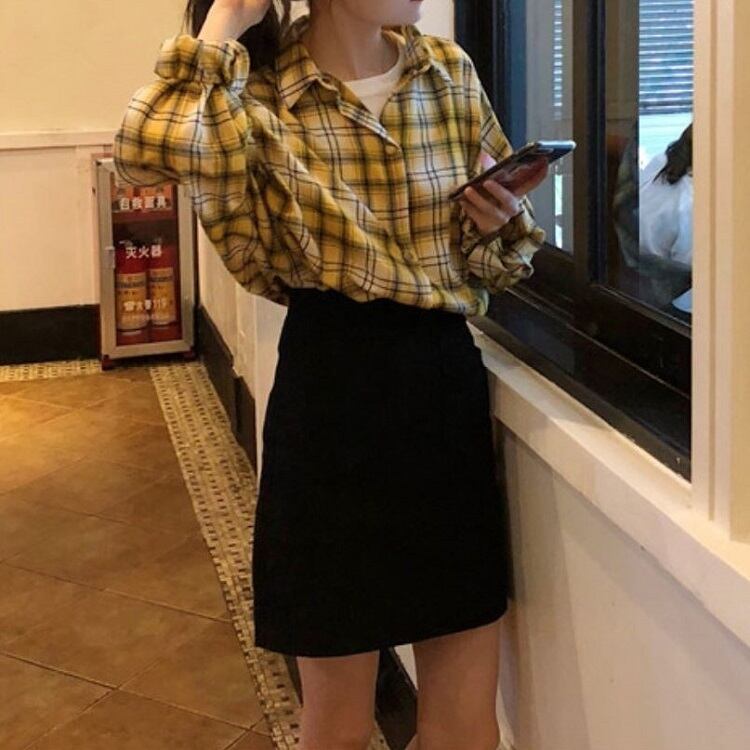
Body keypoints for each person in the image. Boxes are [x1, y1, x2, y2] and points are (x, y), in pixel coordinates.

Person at [113, 1, 548, 748]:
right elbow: (143, 155)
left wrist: (497, 224)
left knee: (465, 722)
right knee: (338, 726)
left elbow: (489, 266)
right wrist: (225, 21)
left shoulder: (447, 72)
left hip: (440, 389)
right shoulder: (255, 92)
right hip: (329, 394)